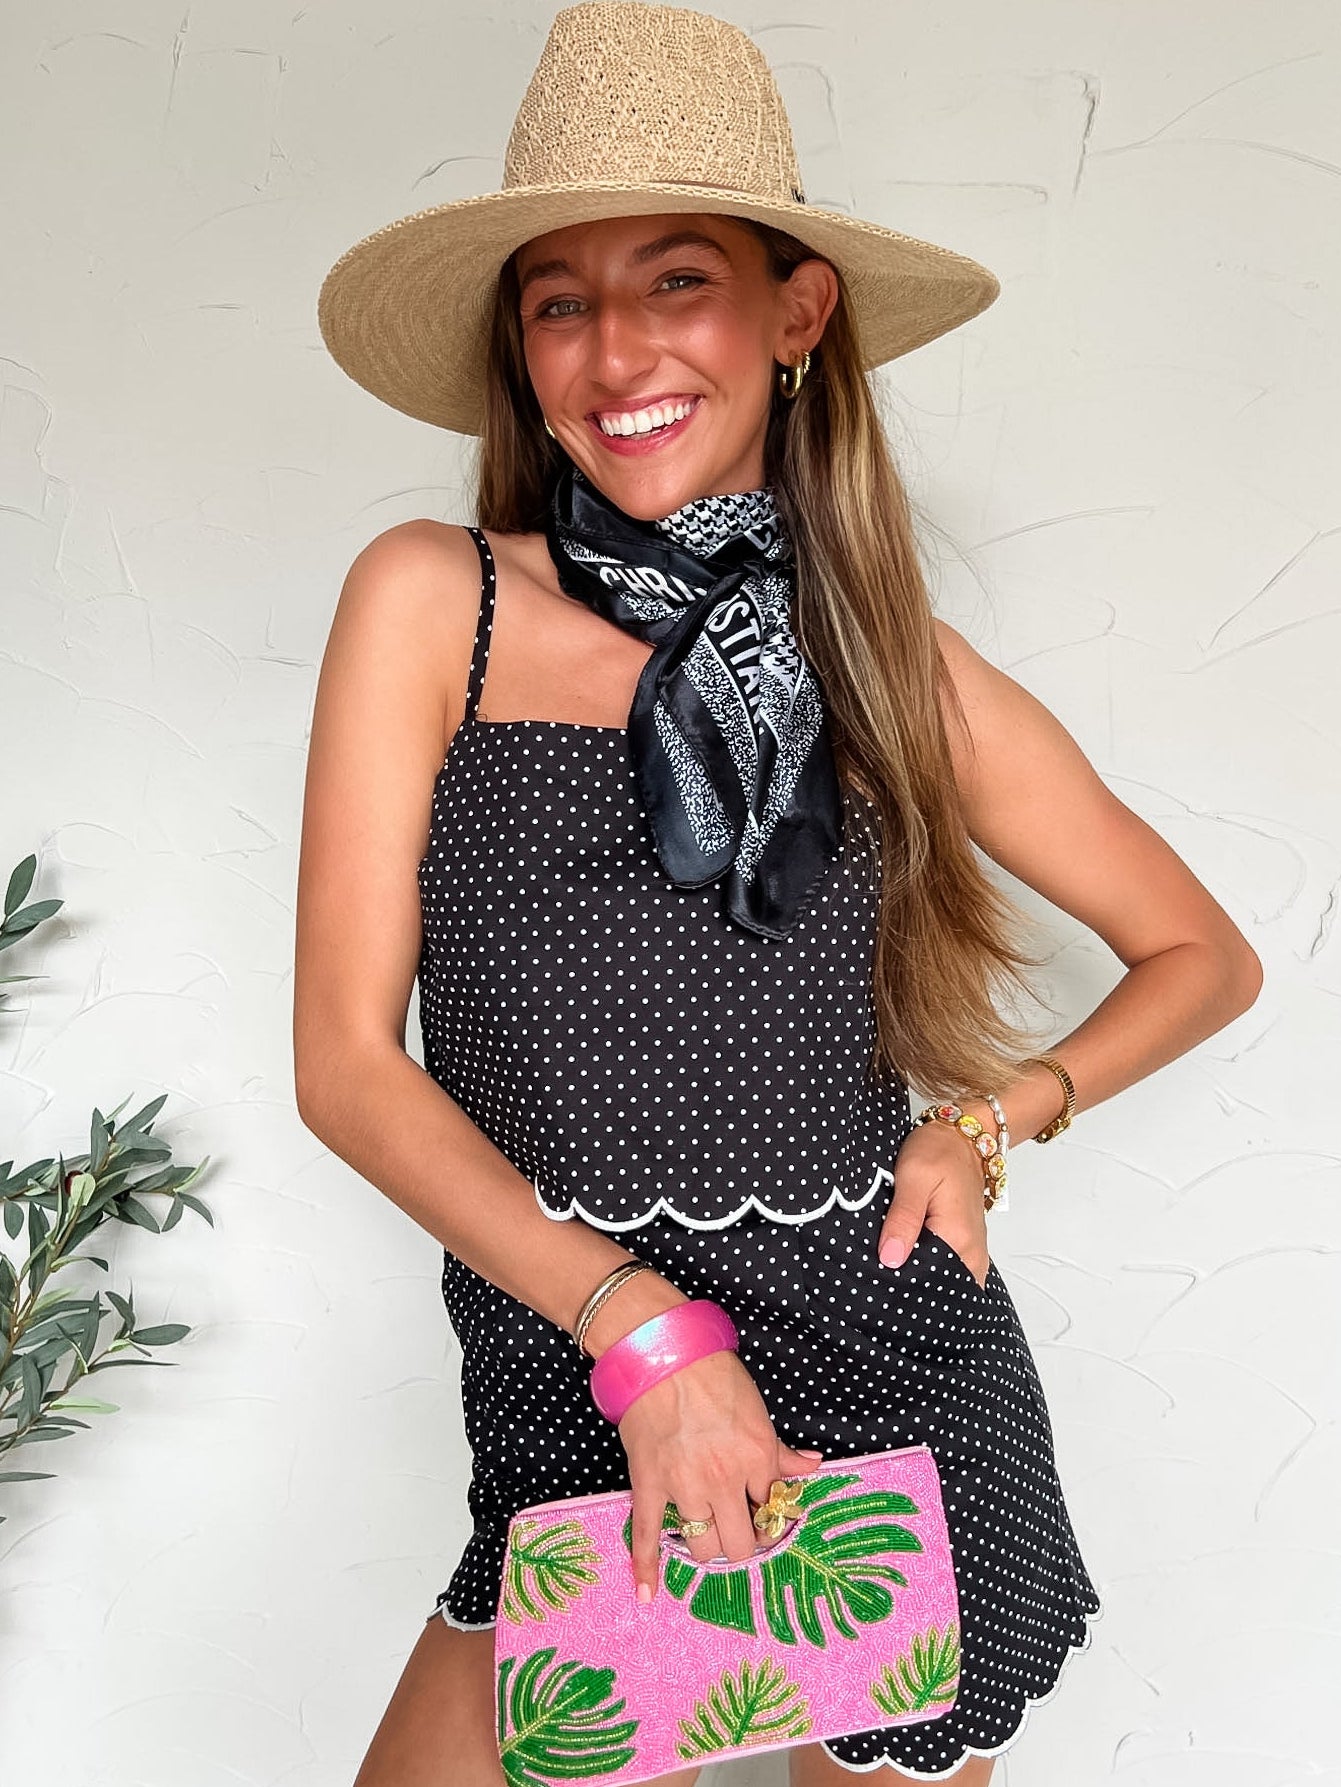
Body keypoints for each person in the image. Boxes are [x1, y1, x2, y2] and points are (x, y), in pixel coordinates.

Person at [295, 5, 1262, 1783]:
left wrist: (989, 1120)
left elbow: (1202, 953)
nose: (613, 351)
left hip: (892, 1369)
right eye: (560, 299)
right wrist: (640, 1336)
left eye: (678, 281)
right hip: (576, 1348)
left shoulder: (891, 659)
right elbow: (347, 1067)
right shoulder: (436, 600)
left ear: (794, 313)